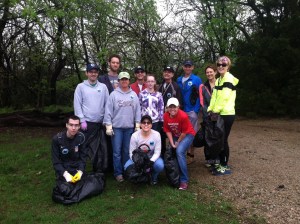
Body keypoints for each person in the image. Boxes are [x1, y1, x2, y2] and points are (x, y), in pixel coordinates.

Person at [104, 72, 141, 182]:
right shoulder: (113, 94)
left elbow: (137, 111)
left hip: (129, 127)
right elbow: (108, 111)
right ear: (118, 81)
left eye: (126, 79)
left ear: (129, 80)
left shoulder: (133, 95)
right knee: (116, 152)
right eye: (122, 79)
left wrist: (137, 125)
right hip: (117, 128)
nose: (124, 81)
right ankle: (118, 173)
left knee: (126, 151)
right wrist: (108, 126)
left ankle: (126, 170)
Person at [74, 63, 109, 173]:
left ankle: (98, 169)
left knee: (99, 148)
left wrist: (106, 120)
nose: (93, 74)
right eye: (91, 72)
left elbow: (107, 104)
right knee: (83, 147)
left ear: (98, 73)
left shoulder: (103, 87)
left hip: (100, 123)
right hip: (86, 124)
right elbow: (77, 104)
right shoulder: (81, 87)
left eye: (95, 72)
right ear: (86, 73)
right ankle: (81, 170)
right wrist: (81, 120)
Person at [207, 56, 239, 176]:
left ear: (228, 67)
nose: (221, 66)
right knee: (219, 139)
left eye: (223, 65)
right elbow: (214, 96)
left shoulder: (228, 79)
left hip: (227, 114)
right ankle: (220, 163)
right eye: (219, 64)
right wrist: (210, 109)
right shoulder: (219, 79)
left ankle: (224, 165)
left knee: (223, 140)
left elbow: (224, 97)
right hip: (219, 113)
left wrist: (216, 110)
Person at [163, 97, 196, 190]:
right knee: (171, 150)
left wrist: (177, 143)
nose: (172, 109)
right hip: (175, 134)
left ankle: (184, 180)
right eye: (170, 107)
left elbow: (184, 133)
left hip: (188, 134)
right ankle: (174, 175)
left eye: (174, 107)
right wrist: (172, 143)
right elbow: (167, 130)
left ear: (178, 107)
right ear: (167, 108)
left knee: (179, 151)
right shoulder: (165, 116)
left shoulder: (183, 116)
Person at [124, 115, 164, 185]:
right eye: (143, 122)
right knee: (126, 167)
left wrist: (151, 161)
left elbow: (157, 152)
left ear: (151, 125)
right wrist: (137, 161)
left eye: (148, 123)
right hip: (138, 159)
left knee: (159, 165)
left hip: (151, 157)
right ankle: (139, 178)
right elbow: (131, 152)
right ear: (140, 125)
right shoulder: (134, 135)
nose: (146, 124)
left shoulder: (156, 135)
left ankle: (153, 177)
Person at [177, 60, 202, 164]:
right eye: (186, 66)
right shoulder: (178, 79)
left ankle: (191, 155)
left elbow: (201, 94)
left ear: (192, 67)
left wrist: (196, 110)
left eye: (189, 66)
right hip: (181, 111)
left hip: (192, 110)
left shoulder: (196, 79)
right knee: (182, 133)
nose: (187, 68)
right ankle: (182, 153)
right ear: (183, 67)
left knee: (191, 133)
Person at [51, 115, 86, 183]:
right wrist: (65, 174)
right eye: (71, 125)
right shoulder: (57, 139)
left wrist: (80, 171)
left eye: (76, 125)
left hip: (76, 168)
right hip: (63, 169)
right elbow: (56, 161)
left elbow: (83, 158)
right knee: (65, 189)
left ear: (79, 126)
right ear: (66, 125)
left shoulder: (81, 138)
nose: (73, 128)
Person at [199, 65, 217, 167]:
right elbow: (202, 102)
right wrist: (209, 114)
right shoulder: (203, 86)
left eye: (211, 72)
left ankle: (217, 159)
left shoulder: (220, 84)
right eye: (207, 72)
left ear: (215, 72)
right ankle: (209, 159)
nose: (209, 74)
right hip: (207, 116)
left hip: (219, 115)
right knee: (207, 138)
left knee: (218, 137)